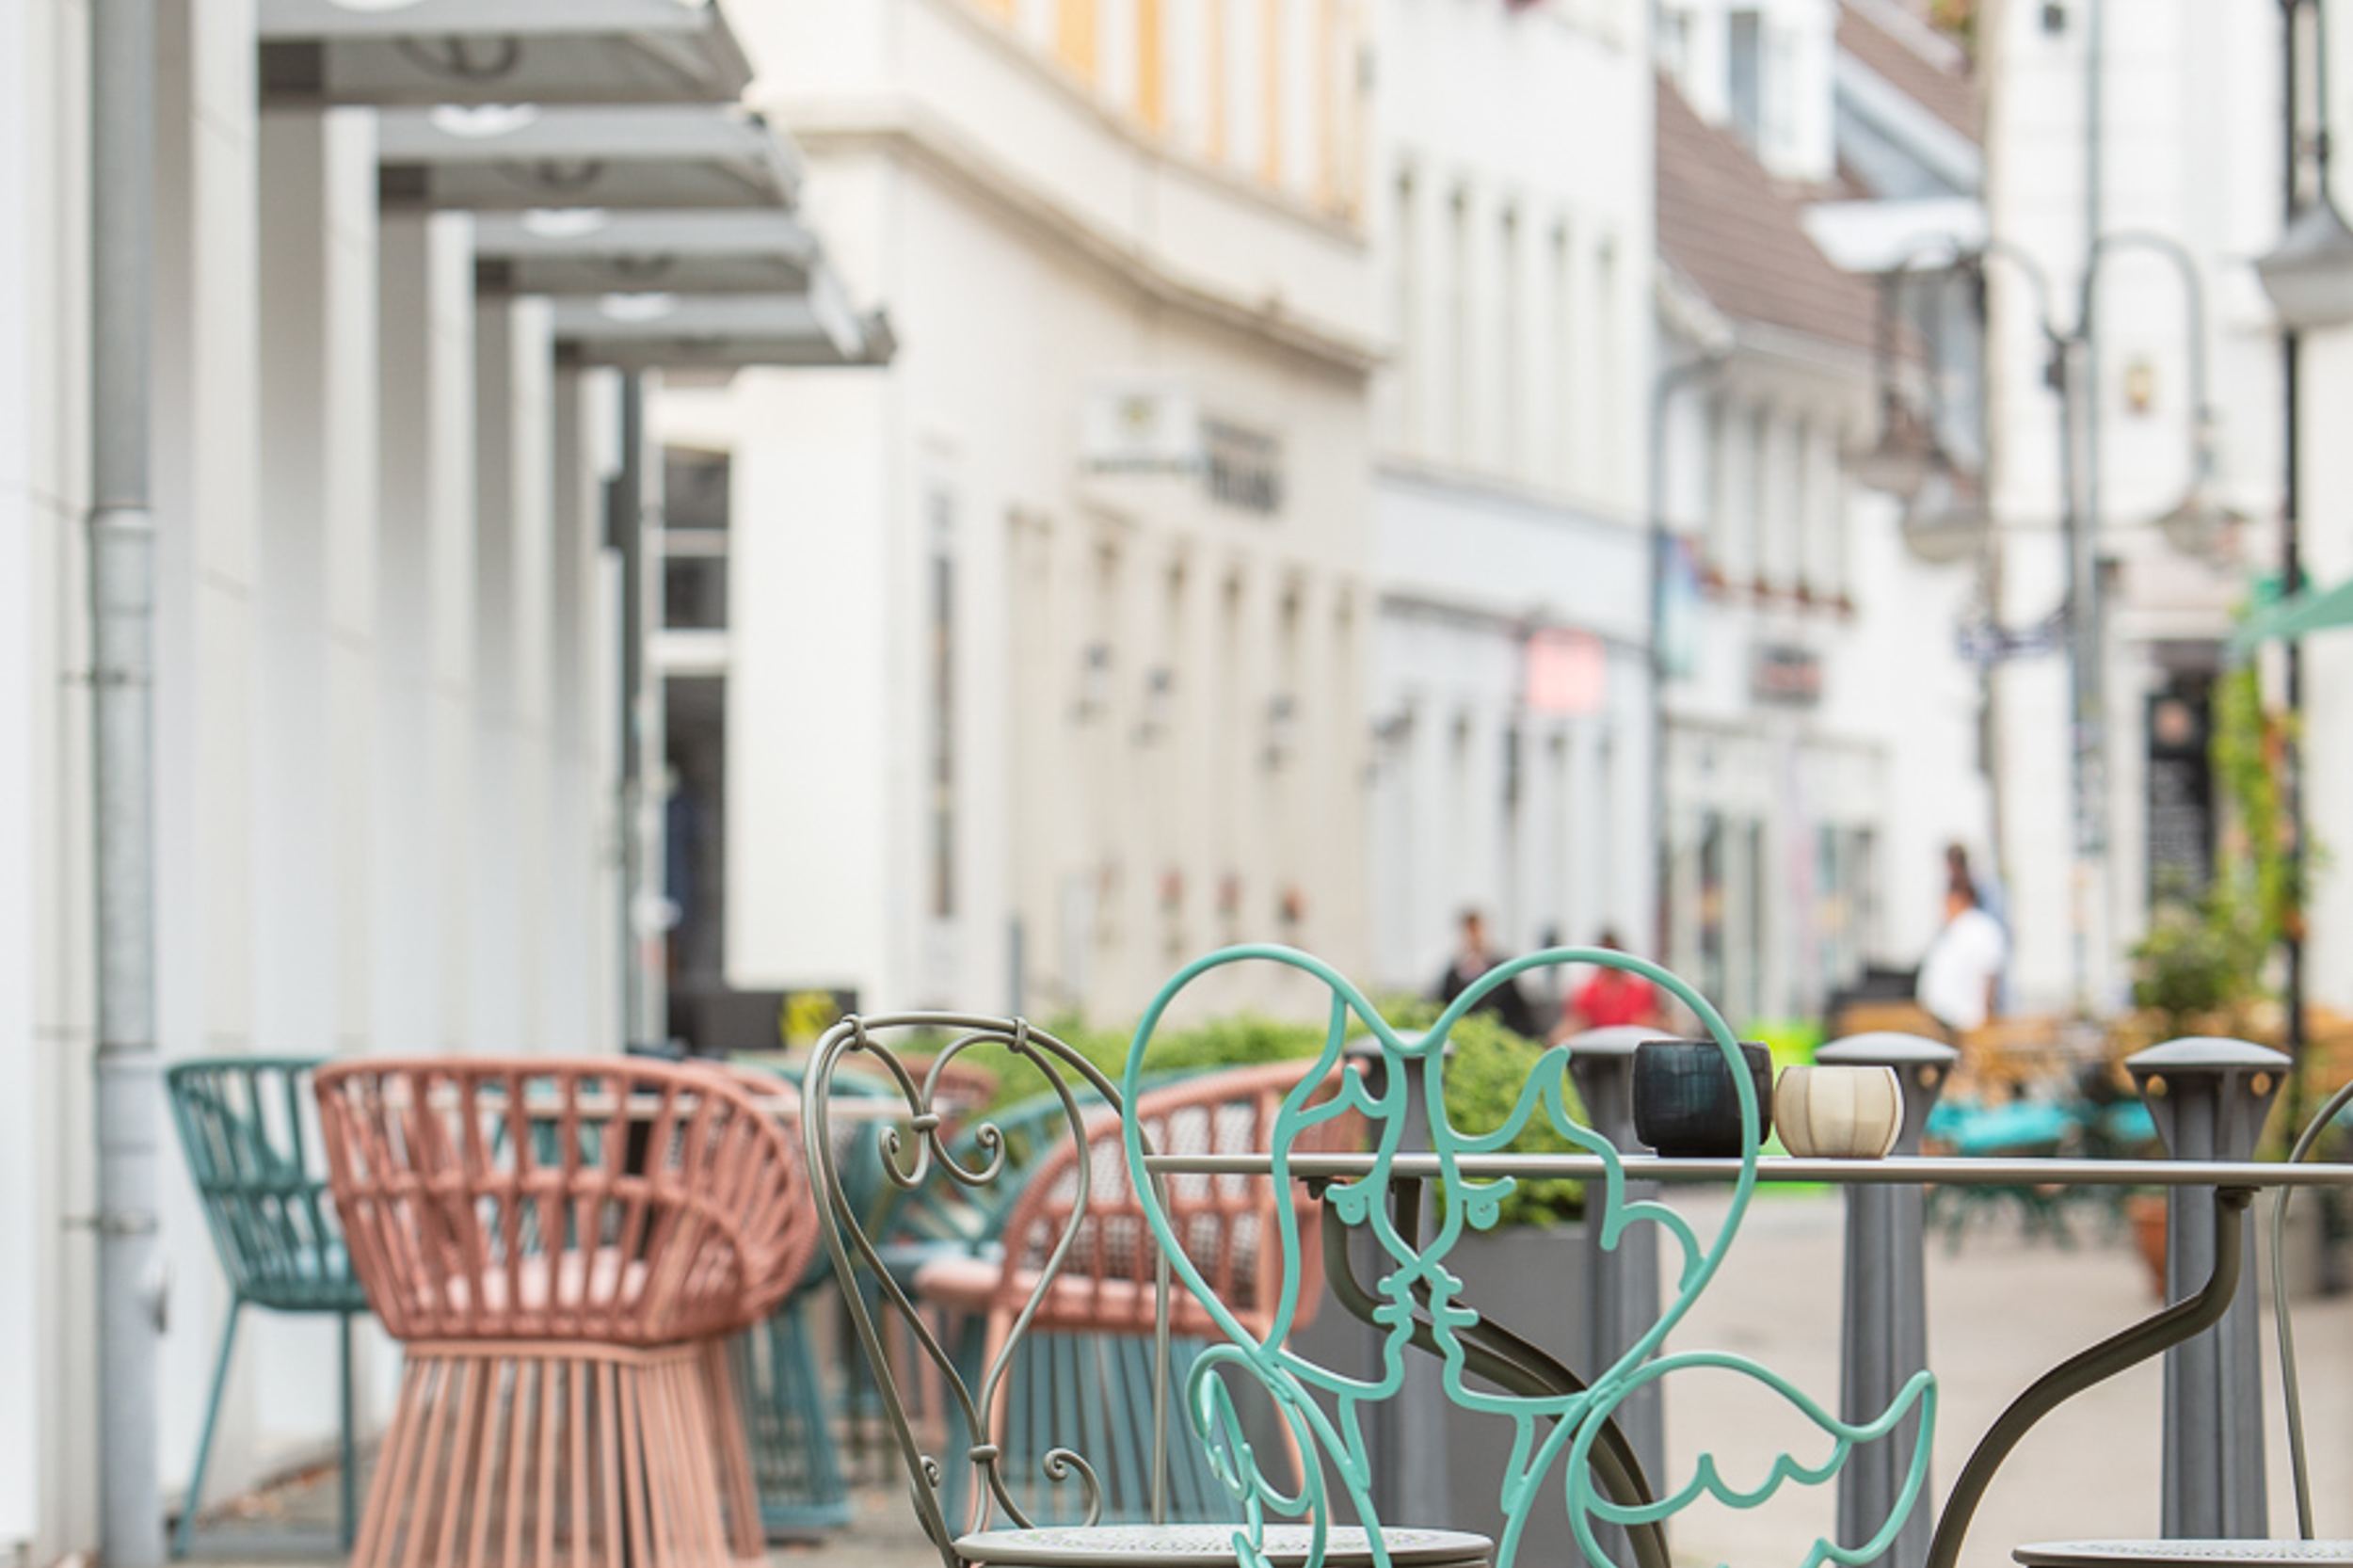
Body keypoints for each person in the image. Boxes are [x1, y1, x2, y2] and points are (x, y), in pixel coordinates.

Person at [1916, 876, 2008, 1036]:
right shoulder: (1955, 929)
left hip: (1966, 1023)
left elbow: (1989, 975)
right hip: (1945, 1020)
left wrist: (1986, 1022)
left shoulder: (1981, 928)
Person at [1434, 909, 1541, 1039]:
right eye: (1469, 931)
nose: (1473, 937)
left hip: (1501, 1036)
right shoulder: (1454, 974)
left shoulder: (1502, 970)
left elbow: (1519, 1012)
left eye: (1476, 930)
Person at [1553, 928, 1664, 1040]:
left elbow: (1654, 1022)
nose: (1609, 963)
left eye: (1613, 951)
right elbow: (1575, 1022)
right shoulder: (1589, 991)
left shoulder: (1641, 990)